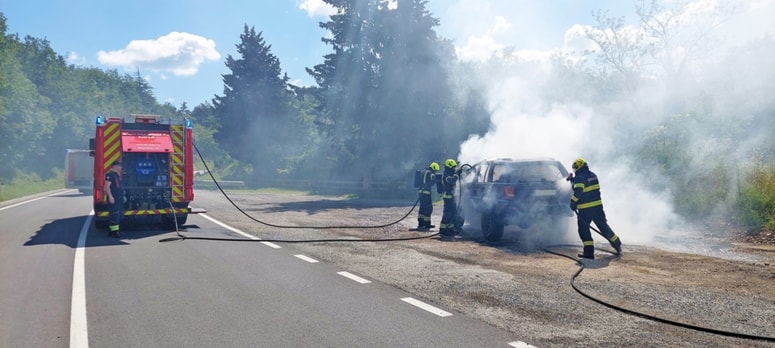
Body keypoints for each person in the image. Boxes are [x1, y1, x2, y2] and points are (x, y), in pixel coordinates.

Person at [569, 158, 622, 259]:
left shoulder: (580, 178)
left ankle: (589, 253)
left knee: (583, 230)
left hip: (585, 210)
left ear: (580, 167)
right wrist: (572, 180)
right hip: (597, 208)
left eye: (576, 167)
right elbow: (581, 185)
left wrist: (573, 202)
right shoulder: (592, 175)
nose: (575, 169)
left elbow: (578, 191)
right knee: (603, 227)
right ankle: (617, 243)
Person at [439, 159, 460, 236]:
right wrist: (456, 174)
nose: (454, 169)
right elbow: (451, 180)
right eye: (453, 167)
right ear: (449, 167)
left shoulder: (450, 173)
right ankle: (443, 229)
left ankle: (450, 229)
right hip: (448, 197)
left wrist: (457, 174)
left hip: (451, 197)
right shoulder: (446, 175)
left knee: (452, 213)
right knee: (447, 213)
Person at [416, 162, 440, 231]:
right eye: (435, 171)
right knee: (428, 208)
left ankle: (421, 223)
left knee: (422, 208)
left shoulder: (423, 172)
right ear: (434, 168)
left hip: (421, 192)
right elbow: (433, 179)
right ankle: (427, 224)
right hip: (426, 193)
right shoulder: (430, 173)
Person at [104, 160, 124, 237]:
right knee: (114, 214)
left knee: (117, 214)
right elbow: (107, 187)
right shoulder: (109, 175)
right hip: (113, 197)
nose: (121, 167)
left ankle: (113, 231)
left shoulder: (116, 175)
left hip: (118, 197)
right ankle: (115, 232)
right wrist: (110, 196)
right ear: (115, 166)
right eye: (119, 166)